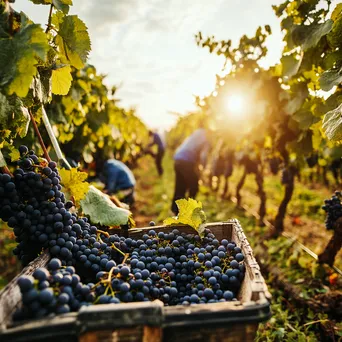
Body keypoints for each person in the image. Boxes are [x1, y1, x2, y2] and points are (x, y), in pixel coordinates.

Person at [171, 126, 211, 214]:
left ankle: (175, 210)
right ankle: (189, 211)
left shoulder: (197, 132)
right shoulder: (207, 138)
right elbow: (203, 156)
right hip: (186, 161)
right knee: (194, 186)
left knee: (180, 186)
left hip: (178, 159)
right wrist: (203, 169)